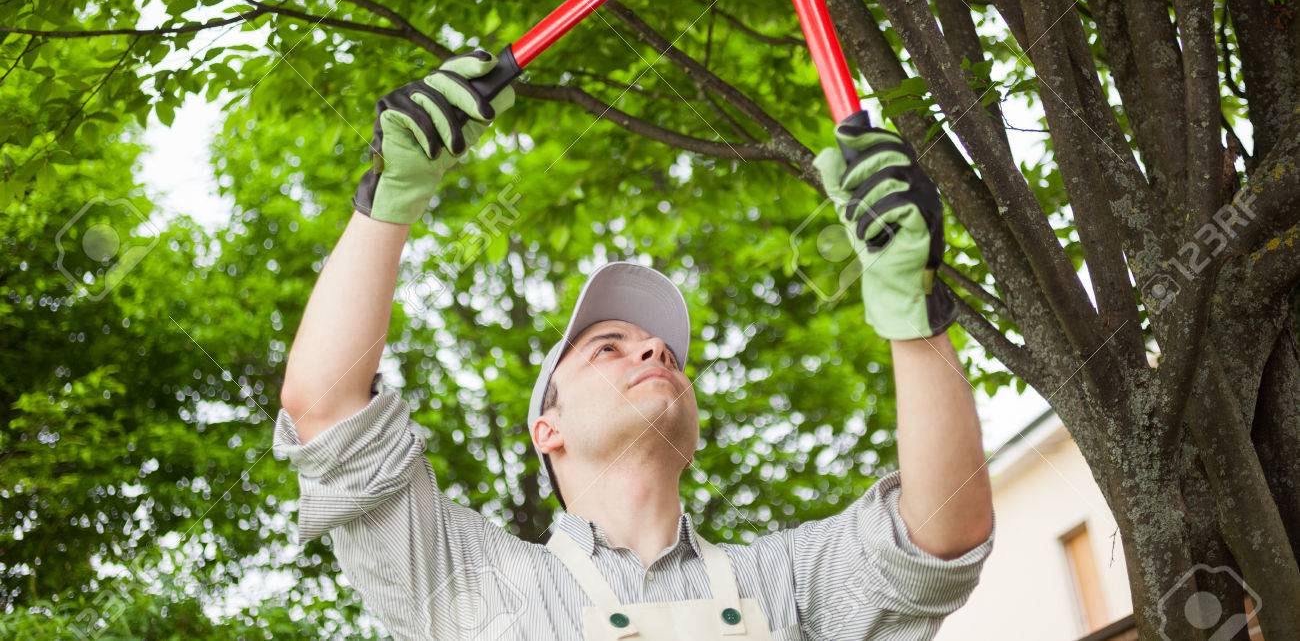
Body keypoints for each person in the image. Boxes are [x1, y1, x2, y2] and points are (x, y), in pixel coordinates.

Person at [274, 52, 995, 641]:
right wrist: (390, 199)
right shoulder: (473, 583)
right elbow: (326, 409)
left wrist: (913, 311)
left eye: (667, 355)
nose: (653, 353)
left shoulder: (785, 583)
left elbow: (944, 531)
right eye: (608, 348)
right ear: (545, 429)